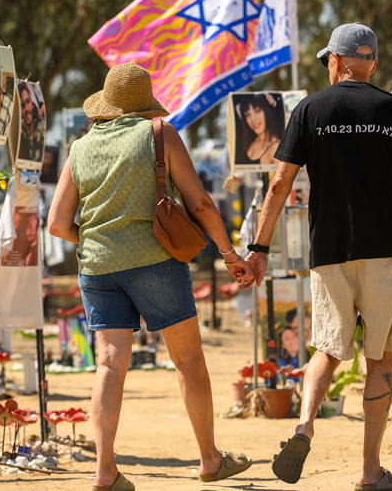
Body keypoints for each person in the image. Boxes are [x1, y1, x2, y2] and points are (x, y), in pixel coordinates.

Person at [245, 22, 392, 490]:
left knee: (327, 348)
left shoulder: (309, 109)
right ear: (371, 62)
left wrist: (258, 248)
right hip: (387, 252)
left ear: (335, 61)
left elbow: (279, 184)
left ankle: (304, 427)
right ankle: (369, 472)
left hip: (330, 249)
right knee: (381, 360)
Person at [48, 63, 254, 491]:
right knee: (189, 361)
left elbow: (57, 223)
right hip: (154, 263)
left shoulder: (80, 147)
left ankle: (105, 470)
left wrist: (100, 243)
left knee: (109, 364)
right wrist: (230, 254)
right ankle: (210, 459)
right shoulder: (159, 134)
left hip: (96, 269)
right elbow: (200, 204)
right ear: (146, 104)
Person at [234, 93, 284, 165]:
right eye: (247, 114)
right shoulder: (249, 139)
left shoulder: (275, 148)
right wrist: (262, 95)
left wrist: (265, 96)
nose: (253, 119)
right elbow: (238, 107)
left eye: (257, 111)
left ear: (267, 111)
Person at [18, 83, 45, 163]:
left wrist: (27, 84)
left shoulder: (40, 125)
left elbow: (42, 105)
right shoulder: (19, 133)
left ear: (32, 103)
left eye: (28, 101)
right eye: (22, 105)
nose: (26, 108)